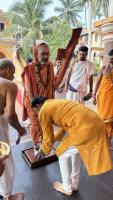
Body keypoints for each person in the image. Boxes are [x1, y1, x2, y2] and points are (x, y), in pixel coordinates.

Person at [32, 97, 113, 196]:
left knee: (61, 153)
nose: (36, 114)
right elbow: (62, 128)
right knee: (76, 152)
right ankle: (74, 185)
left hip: (85, 128)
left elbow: (48, 135)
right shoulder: (55, 103)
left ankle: (67, 187)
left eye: (35, 111)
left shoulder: (43, 110)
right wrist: (46, 146)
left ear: (37, 106)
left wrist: (43, 151)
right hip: (96, 123)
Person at [21, 41, 54, 156]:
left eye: (48, 54)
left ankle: (45, 144)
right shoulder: (29, 69)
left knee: (46, 123)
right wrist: (35, 106)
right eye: (43, 54)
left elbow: (51, 85)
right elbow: (29, 90)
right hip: (32, 101)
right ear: (36, 54)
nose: (46, 57)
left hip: (47, 101)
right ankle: (35, 145)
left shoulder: (50, 65)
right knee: (35, 124)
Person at [0, 58, 26, 200]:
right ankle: (8, 196)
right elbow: (10, 114)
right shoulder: (9, 85)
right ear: (8, 70)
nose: (13, 76)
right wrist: (20, 129)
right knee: (5, 161)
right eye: (13, 73)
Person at [93, 49, 113, 140]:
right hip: (103, 98)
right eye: (109, 58)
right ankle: (103, 138)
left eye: (112, 58)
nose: (111, 60)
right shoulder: (103, 68)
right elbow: (97, 82)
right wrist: (93, 95)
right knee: (103, 118)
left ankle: (109, 137)